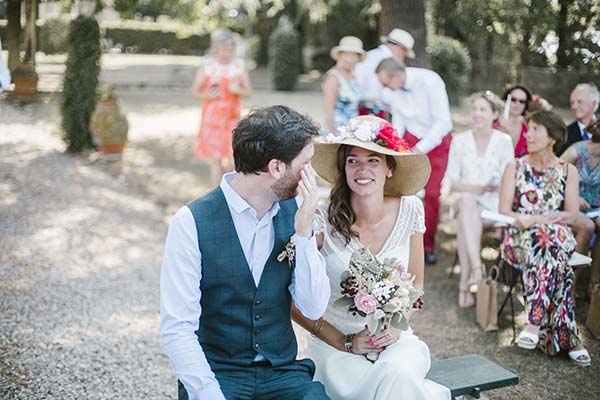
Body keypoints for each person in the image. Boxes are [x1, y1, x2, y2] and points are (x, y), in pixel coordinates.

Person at [160, 105, 331, 400]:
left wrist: (303, 235)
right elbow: (178, 330)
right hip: (217, 374)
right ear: (277, 168)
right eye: (306, 163)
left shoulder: (297, 214)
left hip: (282, 373)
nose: (311, 174)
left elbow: (313, 308)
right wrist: (210, 394)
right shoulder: (190, 223)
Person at [292, 116, 451, 399]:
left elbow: (416, 291)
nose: (362, 169)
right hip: (337, 351)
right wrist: (345, 341)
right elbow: (291, 301)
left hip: (395, 344)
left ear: (390, 168)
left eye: (373, 160)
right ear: (343, 168)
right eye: (352, 161)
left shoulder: (411, 210)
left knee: (398, 374)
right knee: (390, 386)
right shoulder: (319, 221)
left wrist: (396, 329)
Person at [499, 110, 591, 367]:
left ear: (552, 137)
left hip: (554, 236)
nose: (528, 134)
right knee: (553, 255)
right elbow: (505, 210)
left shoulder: (567, 170)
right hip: (520, 239)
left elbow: (572, 215)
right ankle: (572, 339)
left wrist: (537, 219)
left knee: (546, 235)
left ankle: (533, 321)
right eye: (529, 129)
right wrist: (534, 223)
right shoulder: (514, 167)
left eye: (536, 129)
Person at [376, 57, 453, 264]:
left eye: (385, 83)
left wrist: (419, 149)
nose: (383, 89)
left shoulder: (431, 82)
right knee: (399, 188)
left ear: (399, 77)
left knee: (432, 194)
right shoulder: (394, 90)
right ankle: (398, 240)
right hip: (410, 139)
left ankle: (427, 245)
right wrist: (397, 146)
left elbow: (443, 123)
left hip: (436, 142)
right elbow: (400, 118)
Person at [442, 91, 514, 307]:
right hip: (466, 201)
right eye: (474, 109)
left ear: (494, 114)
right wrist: (477, 188)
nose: (476, 114)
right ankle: (476, 269)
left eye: (482, 109)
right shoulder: (460, 141)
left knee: (466, 219)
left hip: (493, 205)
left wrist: (494, 191)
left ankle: (466, 283)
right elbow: (450, 182)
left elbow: (510, 178)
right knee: (466, 203)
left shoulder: (504, 141)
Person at [192, 28, 252, 186]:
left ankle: (228, 194)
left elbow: (249, 92)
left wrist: (237, 90)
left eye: (231, 49)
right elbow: (195, 92)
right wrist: (208, 95)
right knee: (216, 160)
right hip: (212, 121)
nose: (228, 52)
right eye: (225, 49)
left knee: (233, 161)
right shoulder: (207, 65)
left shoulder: (239, 65)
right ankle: (217, 197)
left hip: (232, 119)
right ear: (216, 48)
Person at [560, 118, 600, 299]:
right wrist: (575, 196)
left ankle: (594, 284)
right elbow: (553, 176)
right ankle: (570, 285)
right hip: (570, 205)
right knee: (587, 227)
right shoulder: (577, 150)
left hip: (596, 208)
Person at [353, 28, 415, 118]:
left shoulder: (370, 55)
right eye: (404, 53)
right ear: (399, 48)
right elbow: (386, 95)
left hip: (359, 108)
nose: (403, 56)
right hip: (372, 110)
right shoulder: (388, 63)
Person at [321, 36, 365, 136]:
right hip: (337, 130)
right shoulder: (333, 77)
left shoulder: (354, 77)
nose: (350, 59)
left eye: (354, 56)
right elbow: (328, 109)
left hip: (352, 130)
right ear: (340, 56)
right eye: (346, 55)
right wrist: (331, 135)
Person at [556, 83, 599, 155]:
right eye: (572, 103)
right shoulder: (564, 134)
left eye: (579, 102)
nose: (574, 107)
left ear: (594, 104)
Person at [495, 84, 532, 158]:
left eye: (522, 101)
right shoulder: (493, 126)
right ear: (506, 101)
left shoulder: (529, 128)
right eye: (513, 99)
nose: (517, 104)